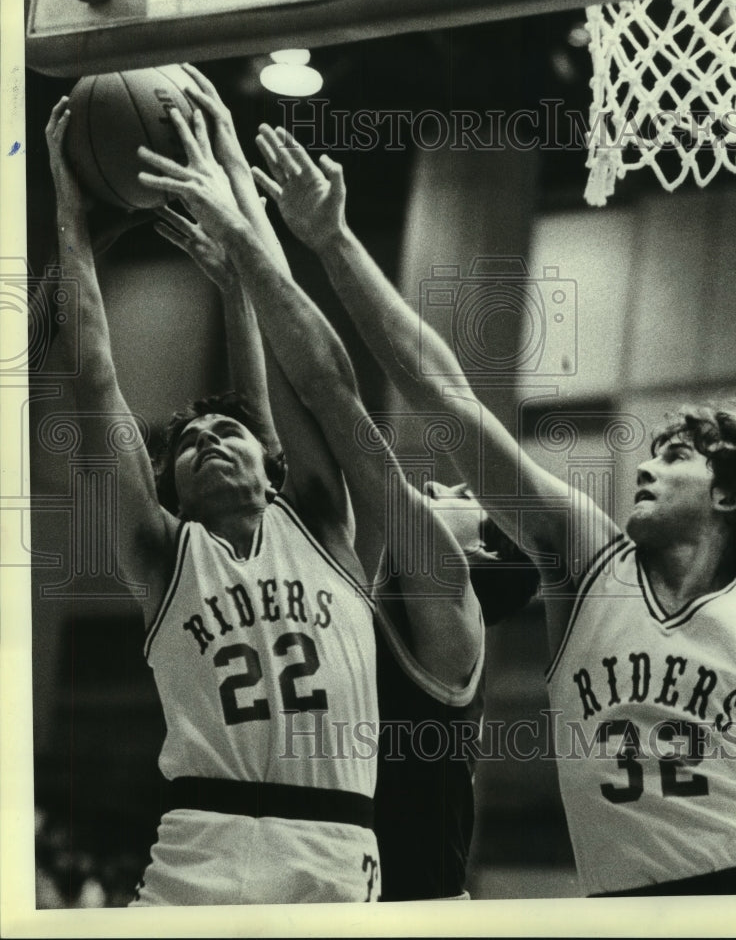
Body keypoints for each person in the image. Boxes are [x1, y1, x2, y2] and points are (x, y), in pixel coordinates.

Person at [251, 125, 736, 897]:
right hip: (620, 909)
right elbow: (447, 395)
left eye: (673, 456)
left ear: (729, 494)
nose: (640, 463)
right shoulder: (588, 565)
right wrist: (332, 241)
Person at [145, 68, 517, 901]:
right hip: (335, 889)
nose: (442, 493)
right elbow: (275, 447)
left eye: (459, 503)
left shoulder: (446, 605)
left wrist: (245, 213)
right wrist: (240, 276)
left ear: (483, 550)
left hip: (417, 908)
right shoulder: (339, 596)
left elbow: (331, 398)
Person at [46, 87, 388, 906]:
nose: (204, 440)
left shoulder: (323, 527)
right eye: (187, 446)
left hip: (332, 849)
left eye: (224, 433)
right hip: (200, 850)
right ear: (172, 492)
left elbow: (293, 384)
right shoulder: (165, 558)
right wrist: (69, 214)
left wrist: (239, 281)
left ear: (270, 466)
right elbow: (97, 384)